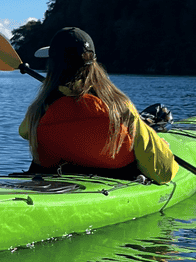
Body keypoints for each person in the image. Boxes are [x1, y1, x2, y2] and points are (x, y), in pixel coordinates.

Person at [18, 27, 178, 182]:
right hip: (116, 177)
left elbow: (24, 132)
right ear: (93, 63)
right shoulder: (121, 108)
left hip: (56, 180)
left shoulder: (39, 111)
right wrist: (162, 146)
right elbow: (165, 172)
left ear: (52, 66)